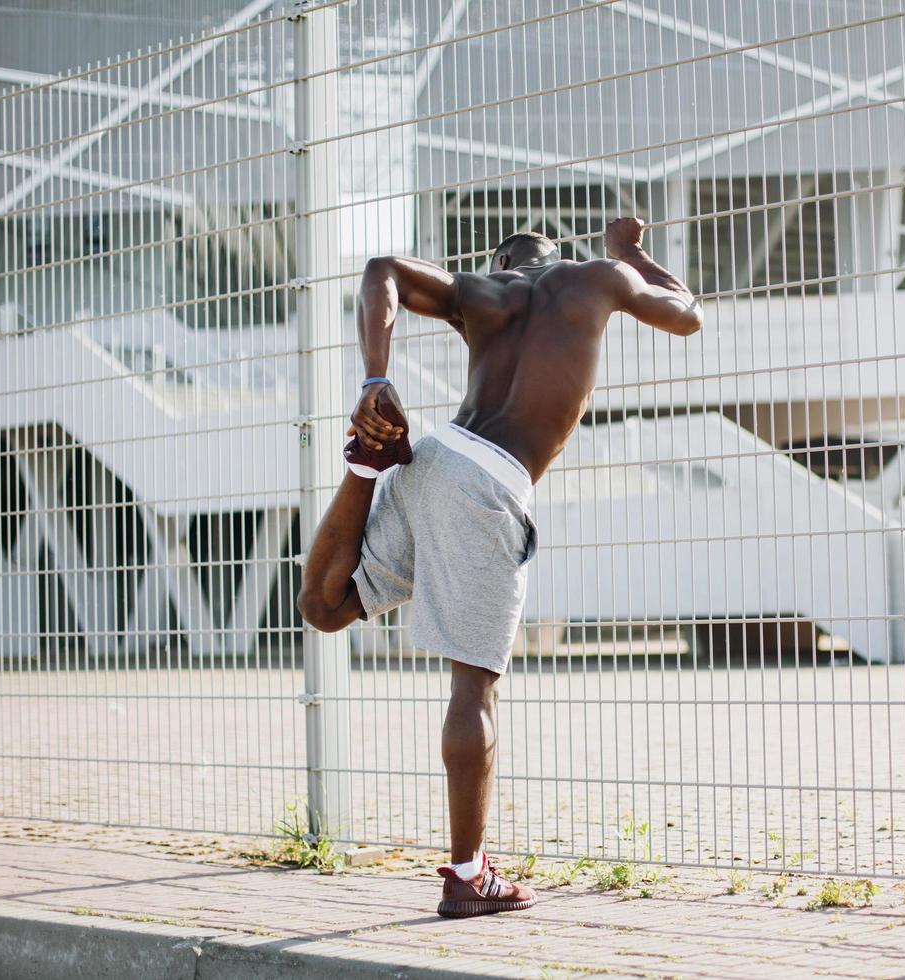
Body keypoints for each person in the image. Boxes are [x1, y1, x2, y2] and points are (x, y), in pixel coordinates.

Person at [296, 217, 701, 917]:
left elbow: (380, 271)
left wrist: (375, 378)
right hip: (489, 487)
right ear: (558, 256)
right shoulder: (595, 279)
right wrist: (630, 253)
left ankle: (366, 460)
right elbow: (688, 315)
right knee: (474, 688)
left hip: (435, 458)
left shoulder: (481, 292)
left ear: (504, 259)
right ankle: (467, 877)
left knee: (324, 608)